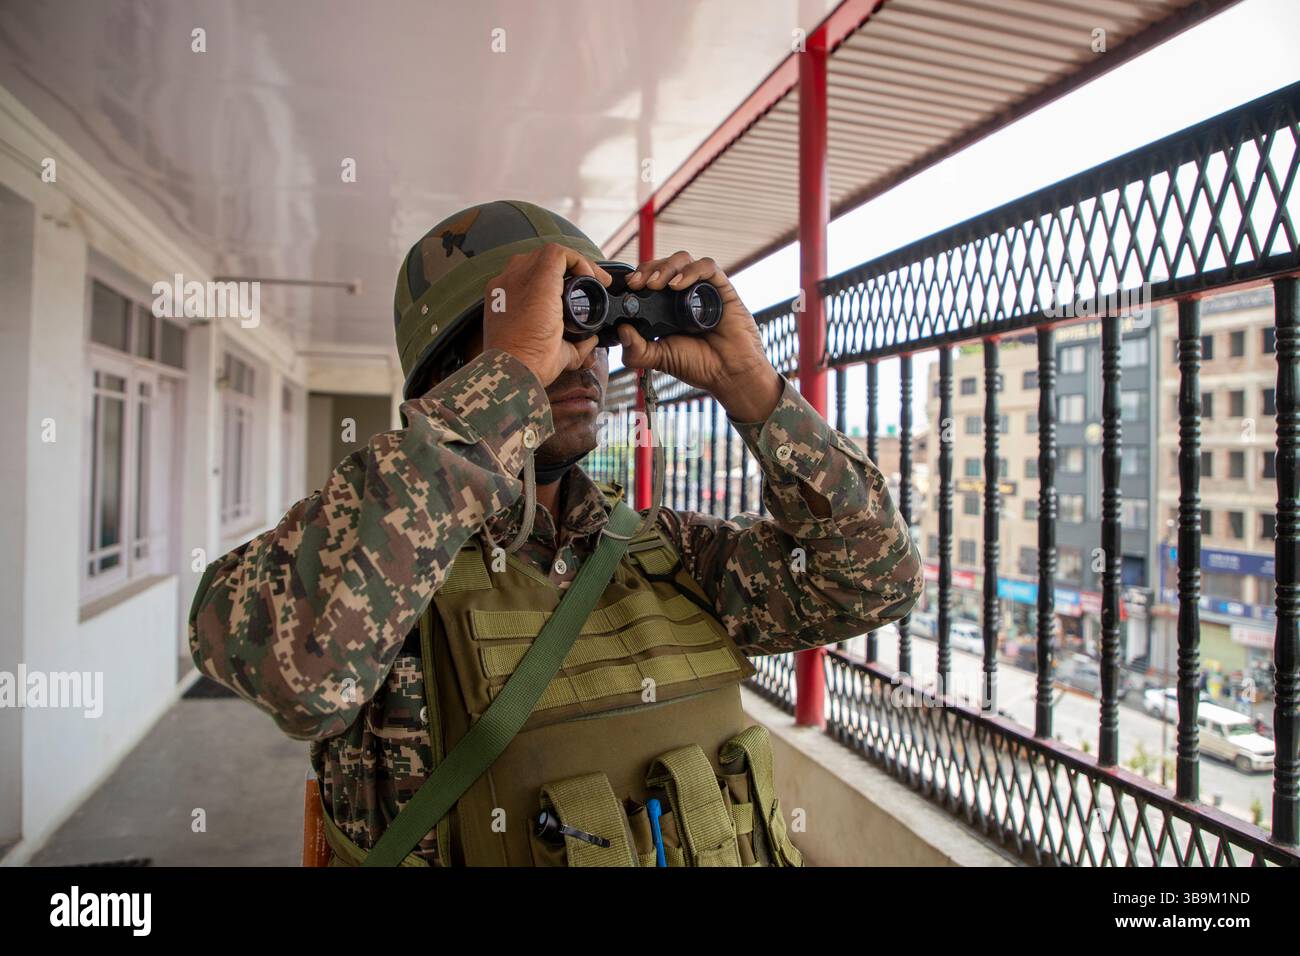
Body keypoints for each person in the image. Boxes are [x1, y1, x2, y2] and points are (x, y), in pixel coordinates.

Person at [189, 200, 923, 866]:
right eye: (552, 327)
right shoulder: (380, 561)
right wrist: (510, 380)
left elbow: (875, 582)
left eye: (591, 328)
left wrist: (754, 388)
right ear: (451, 369)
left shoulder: (665, 551)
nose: (583, 356)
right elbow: (302, 676)